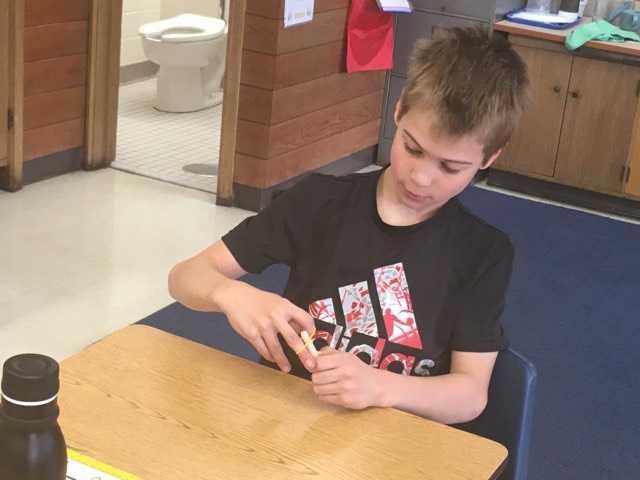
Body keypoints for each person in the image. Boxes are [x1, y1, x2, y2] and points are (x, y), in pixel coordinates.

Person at [168, 26, 529, 425]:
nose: (421, 179)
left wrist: (379, 387)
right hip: (283, 422)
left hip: (390, 440)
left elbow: (469, 395)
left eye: (450, 167)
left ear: (490, 158)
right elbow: (183, 278)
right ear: (398, 111)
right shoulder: (320, 202)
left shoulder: (482, 253)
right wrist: (227, 292)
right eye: (412, 148)